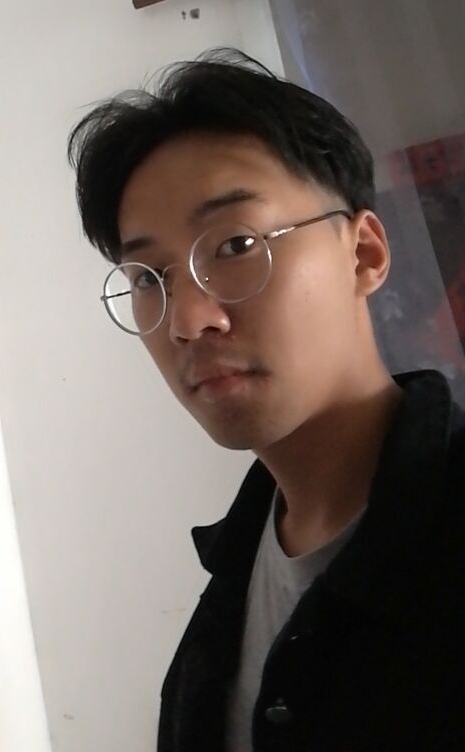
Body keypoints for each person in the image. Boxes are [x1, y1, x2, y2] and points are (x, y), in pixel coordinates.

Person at [67, 49, 465, 752]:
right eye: (150, 278)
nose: (188, 320)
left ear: (364, 254)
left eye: (236, 244)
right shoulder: (237, 565)